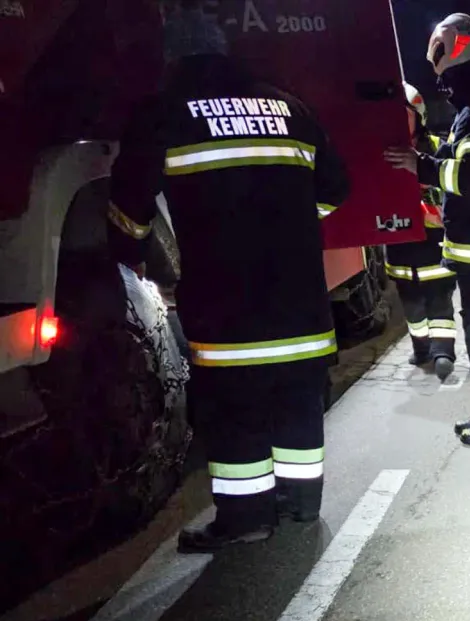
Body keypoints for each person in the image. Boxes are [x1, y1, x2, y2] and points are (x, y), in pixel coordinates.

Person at [107, 0, 350, 552]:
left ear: (174, 58)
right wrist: (288, 225)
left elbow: (128, 208)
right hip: (300, 305)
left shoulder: (164, 114)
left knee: (235, 411)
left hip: (227, 309)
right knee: (297, 402)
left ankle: (245, 520)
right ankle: (302, 504)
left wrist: (129, 249)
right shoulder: (291, 109)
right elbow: (336, 191)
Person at [386, 12, 470, 447]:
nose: (440, 78)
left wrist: (423, 166)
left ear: (454, 53)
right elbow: (467, 160)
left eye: (441, 67)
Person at [385, 83, 458, 378]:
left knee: (440, 301)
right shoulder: (381, 155)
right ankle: (421, 349)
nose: (398, 122)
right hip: (399, 245)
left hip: (433, 243)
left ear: (419, 116)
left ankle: (443, 352)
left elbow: (450, 193)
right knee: (412, 306)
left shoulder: (436, 149)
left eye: (405, 114)